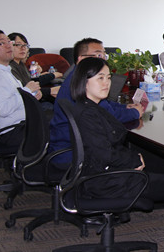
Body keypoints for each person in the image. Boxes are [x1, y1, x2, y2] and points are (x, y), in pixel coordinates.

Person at [69, 57, 164, 251]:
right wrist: (133, 160)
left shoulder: (87, 106)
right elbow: (105, 154)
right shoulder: (88, 114)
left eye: (108, 77)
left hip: (96, 172)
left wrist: (134, 158)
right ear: (84, 82)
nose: (106, 83)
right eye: (100, 78)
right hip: (104, 181)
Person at [49, 38, 143, 167]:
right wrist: (134, 113)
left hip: (71, 147)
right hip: (74, 156)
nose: (103, 59)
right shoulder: (84, 91)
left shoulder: (79, 80)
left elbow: (105, 104)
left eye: (104, 55)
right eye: (98, 55)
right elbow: (110, 116)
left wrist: (125, 106)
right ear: (81, 59)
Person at [0, 29, 34, 153]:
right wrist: (27, 91)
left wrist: (31, 95)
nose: (9, 46)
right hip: (12, 132)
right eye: (2, 43)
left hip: (20, 126)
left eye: (9, 42)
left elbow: (13, 96)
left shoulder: (4, 71)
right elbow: (4, 109)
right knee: (62, 129)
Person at [8, 32, 63, 105]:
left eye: (25, 45)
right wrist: (50, 90)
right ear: (9, 46)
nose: (23, 48)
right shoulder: (9, 67)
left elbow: (30, 83)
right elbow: (24, 91)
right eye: (18, 45)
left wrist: (38, 75)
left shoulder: (20, 64)